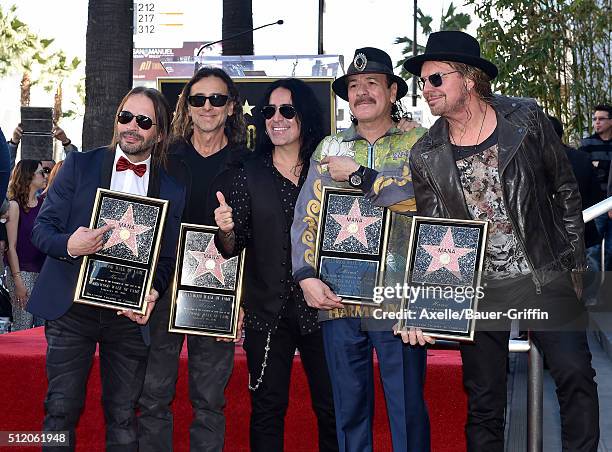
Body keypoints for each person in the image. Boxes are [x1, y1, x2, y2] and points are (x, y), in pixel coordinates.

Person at [404, 30, 599, 451]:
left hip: (545, 273)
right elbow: (435, 237)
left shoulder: (526, 118)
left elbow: (565, 190)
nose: (426, 90)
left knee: (576, 376)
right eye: (423, 82)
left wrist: (575, 267)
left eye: (435, 79)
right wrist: (423, 304)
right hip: (479, 291)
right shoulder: (425, 154)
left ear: (468, 79)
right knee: (484, 400)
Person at [26, 86, 185, 452]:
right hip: (70, 310)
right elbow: (41, 230)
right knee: (60, 410)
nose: (131, 126)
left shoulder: (172, 189)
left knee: (124, 415)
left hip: (126, 315)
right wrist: (71, 244)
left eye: (143, 121)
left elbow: (166, 258)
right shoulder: (79, 165)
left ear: (159, 132)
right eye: (125, 117)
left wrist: (155, 290)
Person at [291, 47, 431, 452]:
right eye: (354, 85)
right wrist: (306, 276)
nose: (362, 92)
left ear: (392, 91)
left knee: (407, 413)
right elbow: (306, 218)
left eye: (372, 83)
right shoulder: (328, 148)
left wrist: (359, 176)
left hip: (399, 303)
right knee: (348, 415)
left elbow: (424, 201)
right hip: (338, 301)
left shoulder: (420, 143)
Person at [214, 78, 338, 452]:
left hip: (324, 308)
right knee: (267, 409)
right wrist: (226, 230)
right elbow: (232, 248)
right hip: (267, 313)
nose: (276, 118)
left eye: (287, 110)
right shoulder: (247, 174)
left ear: (305, 115)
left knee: (331, 408)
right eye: (269, 111)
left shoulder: (329, 171)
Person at [138, 67, 248, 452]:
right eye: (198, 99)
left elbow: (258, 236)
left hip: (218, 284)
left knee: (209, 401)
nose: (207, 107)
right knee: (152, 395)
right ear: (186, 105)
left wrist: (242, 300)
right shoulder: (163, 157)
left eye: (217, 99)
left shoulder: (247, 164)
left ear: (231, 107)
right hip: (163, 285)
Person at [5, 160, 48, 330]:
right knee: (23, 325)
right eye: (41, 172)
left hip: (42, 272)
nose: (45, 175)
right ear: (29, 176)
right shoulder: (14, 206)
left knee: (41, 328)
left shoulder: (44, 204)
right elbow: (11, 247)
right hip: (21, 271)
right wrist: (18, 281)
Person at [580, 104, 612, 272]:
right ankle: (593, 293)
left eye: (601, 119)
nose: (597, 122)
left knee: (611, 252)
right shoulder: (587, 145)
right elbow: (584, 173)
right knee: (593, 250)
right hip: (595, 206)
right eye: (595, 119)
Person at [7, 123, 77, 170]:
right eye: (34, 170)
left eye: (46, 170)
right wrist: (14, 141)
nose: (44, 176)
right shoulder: (18, 190)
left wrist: (65, 141)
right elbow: (6, 171)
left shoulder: (57, 189)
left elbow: (75, 168)